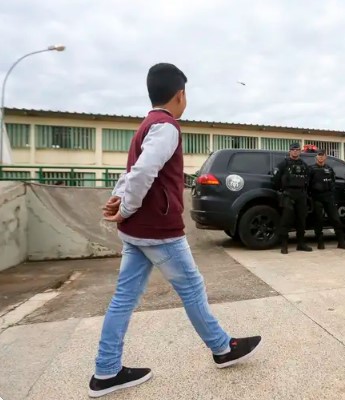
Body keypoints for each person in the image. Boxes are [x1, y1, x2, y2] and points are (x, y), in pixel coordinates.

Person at [91, 63, 261, 398]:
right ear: (180, 94)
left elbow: (131, 174)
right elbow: (142, 173)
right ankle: (222, 348)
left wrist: (119, 200)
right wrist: (125, 205)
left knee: (124, 298)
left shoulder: (147, 124)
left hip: (137, 230)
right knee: (193, 288)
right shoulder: (167, 126)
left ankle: (106, 370)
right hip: (158, 230)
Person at [273, 142, 313, 254]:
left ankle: (301, 244)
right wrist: (282, 190)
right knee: (286, 220)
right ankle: (284, 245)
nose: (295, 151)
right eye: (293, 149)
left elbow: (308, 180)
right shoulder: (283, 164)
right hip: (288, 194)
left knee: (301, 220)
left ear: (300, 151)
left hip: (301, 194)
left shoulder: (304, 165)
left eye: (297, 149)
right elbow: (275, 179)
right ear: (289, 151)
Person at [308, 149, 345, 250]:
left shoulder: (329, 169)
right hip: (316, 197)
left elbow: (333, 182)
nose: (321, 157)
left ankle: (341, 242)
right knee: (318, 220)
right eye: (319, 155)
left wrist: (332, 194)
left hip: (328, 197)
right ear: (316, 157)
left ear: (325, 157)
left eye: (323, 155)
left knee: (336, 219)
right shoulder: (311, 169)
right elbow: (307, 184)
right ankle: (320, 242)